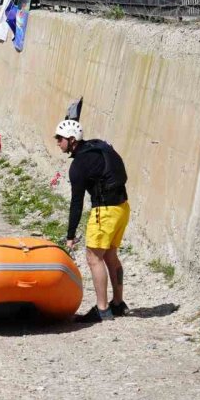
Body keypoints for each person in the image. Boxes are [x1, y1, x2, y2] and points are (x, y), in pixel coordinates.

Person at [55, 120, 130, 322]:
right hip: (122, 208)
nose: (57, 142)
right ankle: (118, 303)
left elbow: (76, 203)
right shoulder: (98, 146)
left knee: (93, 257)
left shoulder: (78, 165)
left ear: (71, 140)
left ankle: (102, 309)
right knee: (110, 255)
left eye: (59, 138)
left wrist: (70, 235)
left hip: (104, 211)